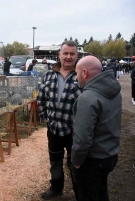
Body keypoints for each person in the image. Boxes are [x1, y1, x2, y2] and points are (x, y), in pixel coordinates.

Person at [72, 55, 121, 201]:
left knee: (88, 195)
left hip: (93, 161)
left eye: (77, 73)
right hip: (110, 154)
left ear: (85, 73)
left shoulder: (87, 98)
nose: (76, 77)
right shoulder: (114, 91)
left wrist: (77, 161)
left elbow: (82, 138)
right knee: (101, 191)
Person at [37, 40, 81, 200]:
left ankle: (79, 191)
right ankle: (56, 187)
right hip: (53, 129)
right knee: (55, 161)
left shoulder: (82, 75)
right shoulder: (48, 75)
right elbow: (41, 99)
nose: (68, 57)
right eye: (65, 53)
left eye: (72, 54)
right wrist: (46, 118)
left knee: (76, 163)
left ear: (77, 55)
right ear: (59, 55)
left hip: (74, 132)